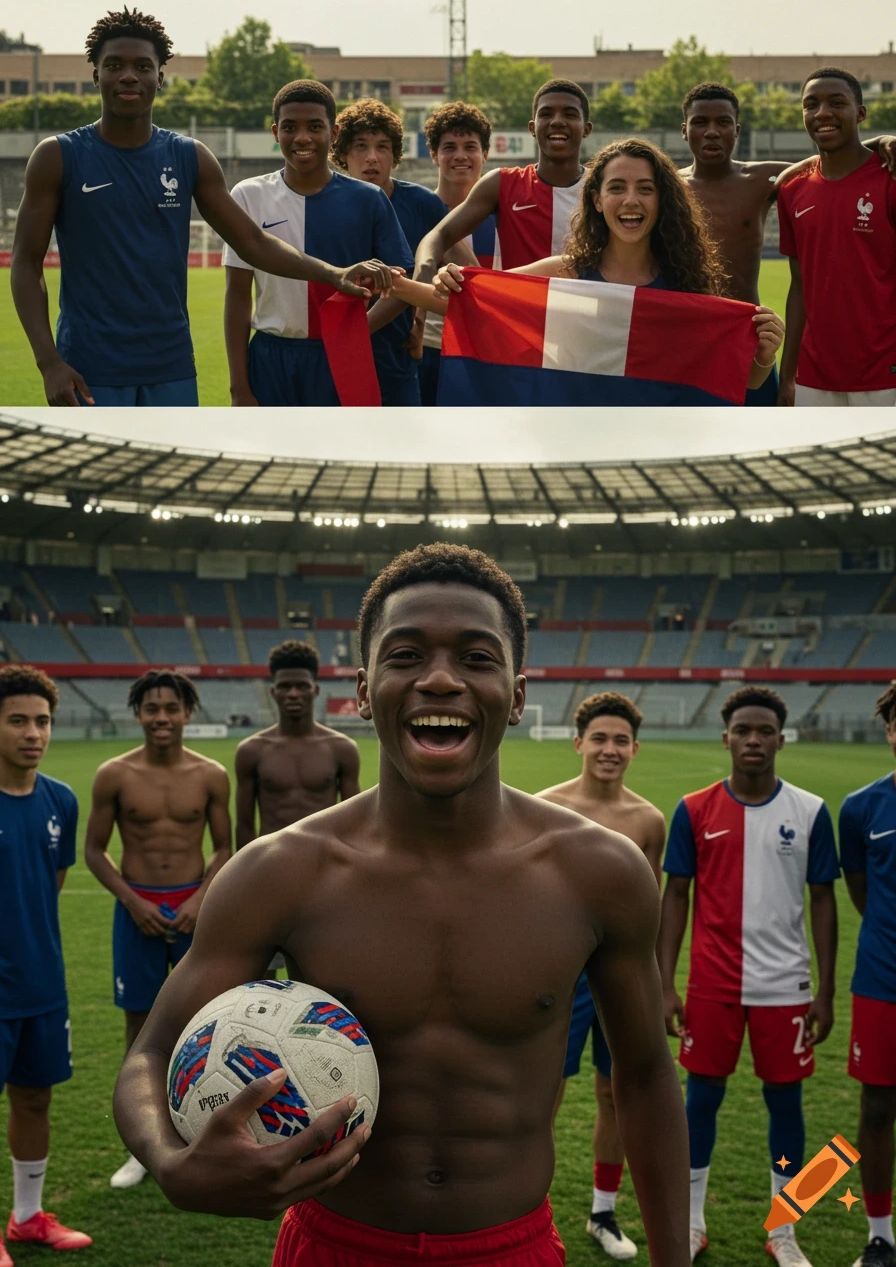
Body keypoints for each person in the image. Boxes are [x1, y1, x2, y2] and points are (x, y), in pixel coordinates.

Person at [113, 543, 691, 1267]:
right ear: (362, 690)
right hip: (334, 1246)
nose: (441, 679)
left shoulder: (600, 871)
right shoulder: (280, 871)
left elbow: (642, 1076)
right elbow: (151, 1055)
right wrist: (170, 1162)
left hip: (512, 1248)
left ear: (516, 696)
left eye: (478, 658)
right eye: (407, 655)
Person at [10, 8, 395, 408]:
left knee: (174, 473)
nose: (129, 75)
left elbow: (252, 241)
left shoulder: (189, 157)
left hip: (172, 365)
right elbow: (24, 262)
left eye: (143, 66)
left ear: (160, 77)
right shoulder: (58, 156)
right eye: (115, 65)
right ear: (96, 75)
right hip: (89, 368)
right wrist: (48, 361)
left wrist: (333, 274)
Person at [657, 685, 839, 1267]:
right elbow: (675, 896)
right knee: (699, 1102)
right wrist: (666, 984)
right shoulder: (693, 809)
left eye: (764, 731)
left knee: (788, 1105)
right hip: (713, 987)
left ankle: (785, 1231)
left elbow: (824, 902)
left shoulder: (810, 811)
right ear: (727, 737)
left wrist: (826, 992)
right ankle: (691, 1223)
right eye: (743, 730)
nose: (753, 740)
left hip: (787, 988)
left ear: (781, 739)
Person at [396, 139, 784, 394]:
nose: (630, 200)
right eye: (617, 188)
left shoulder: (687, 288)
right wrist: (391, 284)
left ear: (664, 201)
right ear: (597, 201)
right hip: (573, 440)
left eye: (645, 189)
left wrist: (764, 354)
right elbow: (473, 303)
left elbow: (744, 379)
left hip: (654, 448)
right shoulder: (564, 273)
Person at [84, 669, 231, 1190]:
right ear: (139, 714)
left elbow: (222, 846)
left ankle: (198, 1133)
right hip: (137, 911)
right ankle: (141, 1148)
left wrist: (199, 898)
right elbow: (95, 850)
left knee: (200, 1024)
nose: (162, 718)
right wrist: (132, 901)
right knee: (139, 1027)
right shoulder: (114, 775)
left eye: (172, 708)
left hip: (195, 911)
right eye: (152, 709)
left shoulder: (212, 774)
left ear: (188, 713)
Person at [537, 692, 665, 1262]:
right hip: (558, 977)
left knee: (616, 1094)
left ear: (634, 749)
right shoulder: (544, 808)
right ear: (579, 743)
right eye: (599, 738)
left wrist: (658, 986)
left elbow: (649, 912)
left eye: (620, 741)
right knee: (542, 1094)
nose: (609, 750)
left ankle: (602, 1211)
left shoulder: (647, 821)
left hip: (620, 978)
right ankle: (524, 1206)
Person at [679, 81, 894, 407]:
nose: (711, 132)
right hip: (685, 342)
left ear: (737, 131)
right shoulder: (665, 186)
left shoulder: (768, 179)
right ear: (684, 130)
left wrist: (880, 142)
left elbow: (835, 161)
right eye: (700, 122)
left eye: (722, 123)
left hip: (749, 342)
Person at [223, 80, 413, 408]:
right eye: (289, 127)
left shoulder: (368, 198)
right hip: (271, 356)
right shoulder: (248, 195)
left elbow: (401, 280)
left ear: (334, 132)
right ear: (275, 132)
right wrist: (239, 386)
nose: (302, 137)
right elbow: (238, 294)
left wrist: (355, 332)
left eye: (314, 127)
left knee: (340, 454)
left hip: (342, 357)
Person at [0, 667, 91, 1265]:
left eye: (42, 721)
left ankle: (27, 1218)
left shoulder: (61, 799)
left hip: (42, 982)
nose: (34, 733)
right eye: (17, 721)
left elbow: (48, 886)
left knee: (34, 1100)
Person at [776, 68, 896, 407]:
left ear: (860, 113)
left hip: (885, 375)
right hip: (813, 377)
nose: (822, 113)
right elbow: (798, 286)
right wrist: (788, 376)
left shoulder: (890, 179)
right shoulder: (791, 189)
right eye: (811, 104)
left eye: (836, 102)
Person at [414, 79, 594, 286]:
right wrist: (426, 267)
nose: (557, 121)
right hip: (519, 314)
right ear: (532, 128)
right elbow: (439, 235)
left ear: (587, 129)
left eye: (570, 114)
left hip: (585, 315)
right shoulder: (502, 183)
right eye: (546, 114)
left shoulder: (603, 188)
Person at [332, 98, 450, 406]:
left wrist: (420, 324)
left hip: (397, 357)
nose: (372, 157)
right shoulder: (324, 203)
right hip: (331, 354)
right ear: (343, 152)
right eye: (360, 146)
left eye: (382, 147)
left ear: (395, 154)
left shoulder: (423, 204)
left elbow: (454, 266)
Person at [839, 683, 896, 1267]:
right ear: (889, 730)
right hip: (882, 980)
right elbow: (862, 890)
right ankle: (880, 1234)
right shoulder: (861, 808)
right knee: (877, 1107)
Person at [235, 639, 361, 844]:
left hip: (324, 861)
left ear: (316, 690)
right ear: (273, 692)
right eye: (285, 686)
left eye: (302, 686)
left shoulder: (342, 749)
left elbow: (353, 824)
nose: (293, 694)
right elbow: (244, 825)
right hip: (271, 862)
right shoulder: (251, 751)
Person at [416, 101, 496, 405]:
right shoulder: (416, 213)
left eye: (470, 147)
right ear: (434, 155)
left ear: (485, 154)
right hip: (432, 351)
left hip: (488, 351)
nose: (460, 156)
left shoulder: (508, 217)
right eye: (449, 147)